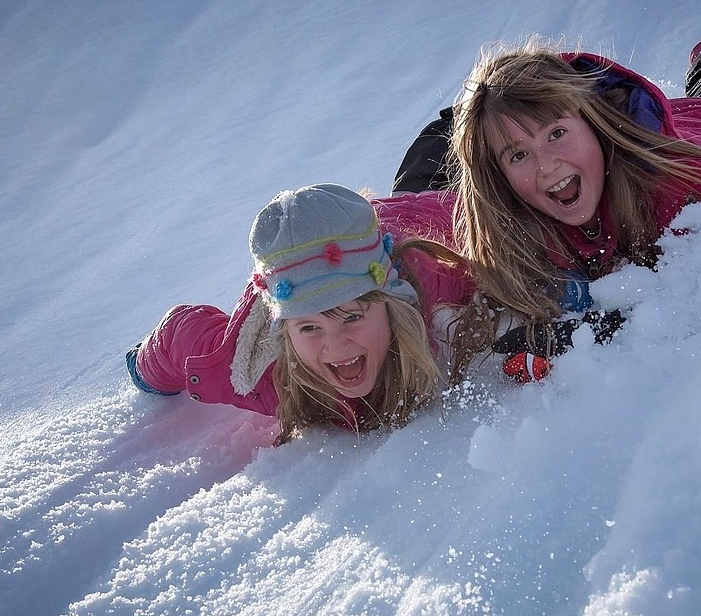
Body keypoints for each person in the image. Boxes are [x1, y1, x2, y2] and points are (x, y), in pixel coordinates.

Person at [405, 35, 701, 380]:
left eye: (556, 134)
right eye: (518, 155)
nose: (546, 165)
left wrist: (594, 330)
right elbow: (427, 234)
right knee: (437, 161)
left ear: (593, 123)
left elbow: (689, 296)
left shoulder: (680, 189)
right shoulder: (512, 211)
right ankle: (480, 120)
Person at [126, 184, 474, 442]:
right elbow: (178, 336)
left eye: (352, 316)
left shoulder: (436, 282)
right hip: (330, 258)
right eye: (309, 327)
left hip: (422, 213)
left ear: (391, 304)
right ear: (284, 332)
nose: (335, 345)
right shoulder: (258, 372)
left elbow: (483, 221)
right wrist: (143, 371)